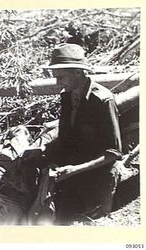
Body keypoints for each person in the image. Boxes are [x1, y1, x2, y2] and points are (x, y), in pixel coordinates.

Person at [40, 43, 123, 224]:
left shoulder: (102, 100)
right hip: (71, 177)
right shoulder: (67, 97)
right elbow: (65, 138)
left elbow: (113, 154)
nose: (57, 83)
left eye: (61, 77)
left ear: (78, 72)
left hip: (96, 182)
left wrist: (75, 170)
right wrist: (43, 154)